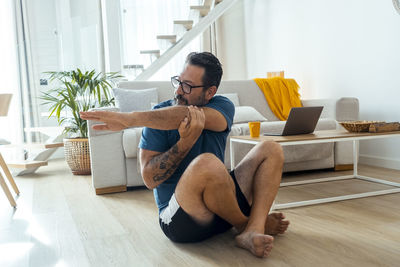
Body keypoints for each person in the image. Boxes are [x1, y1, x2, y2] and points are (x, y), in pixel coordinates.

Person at [80, 52, 289, 258]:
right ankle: (247, 225)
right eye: (178, 81)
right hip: (184, 220)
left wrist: (130, 119)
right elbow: (149, 180)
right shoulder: (156, 119)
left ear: (210, 92)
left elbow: (188, 116)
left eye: (187, 85)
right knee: (207, 164)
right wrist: (185, 142)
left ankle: (254, 225)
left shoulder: (222, 105)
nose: (179, 90)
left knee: (271, 148)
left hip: (223, 206)